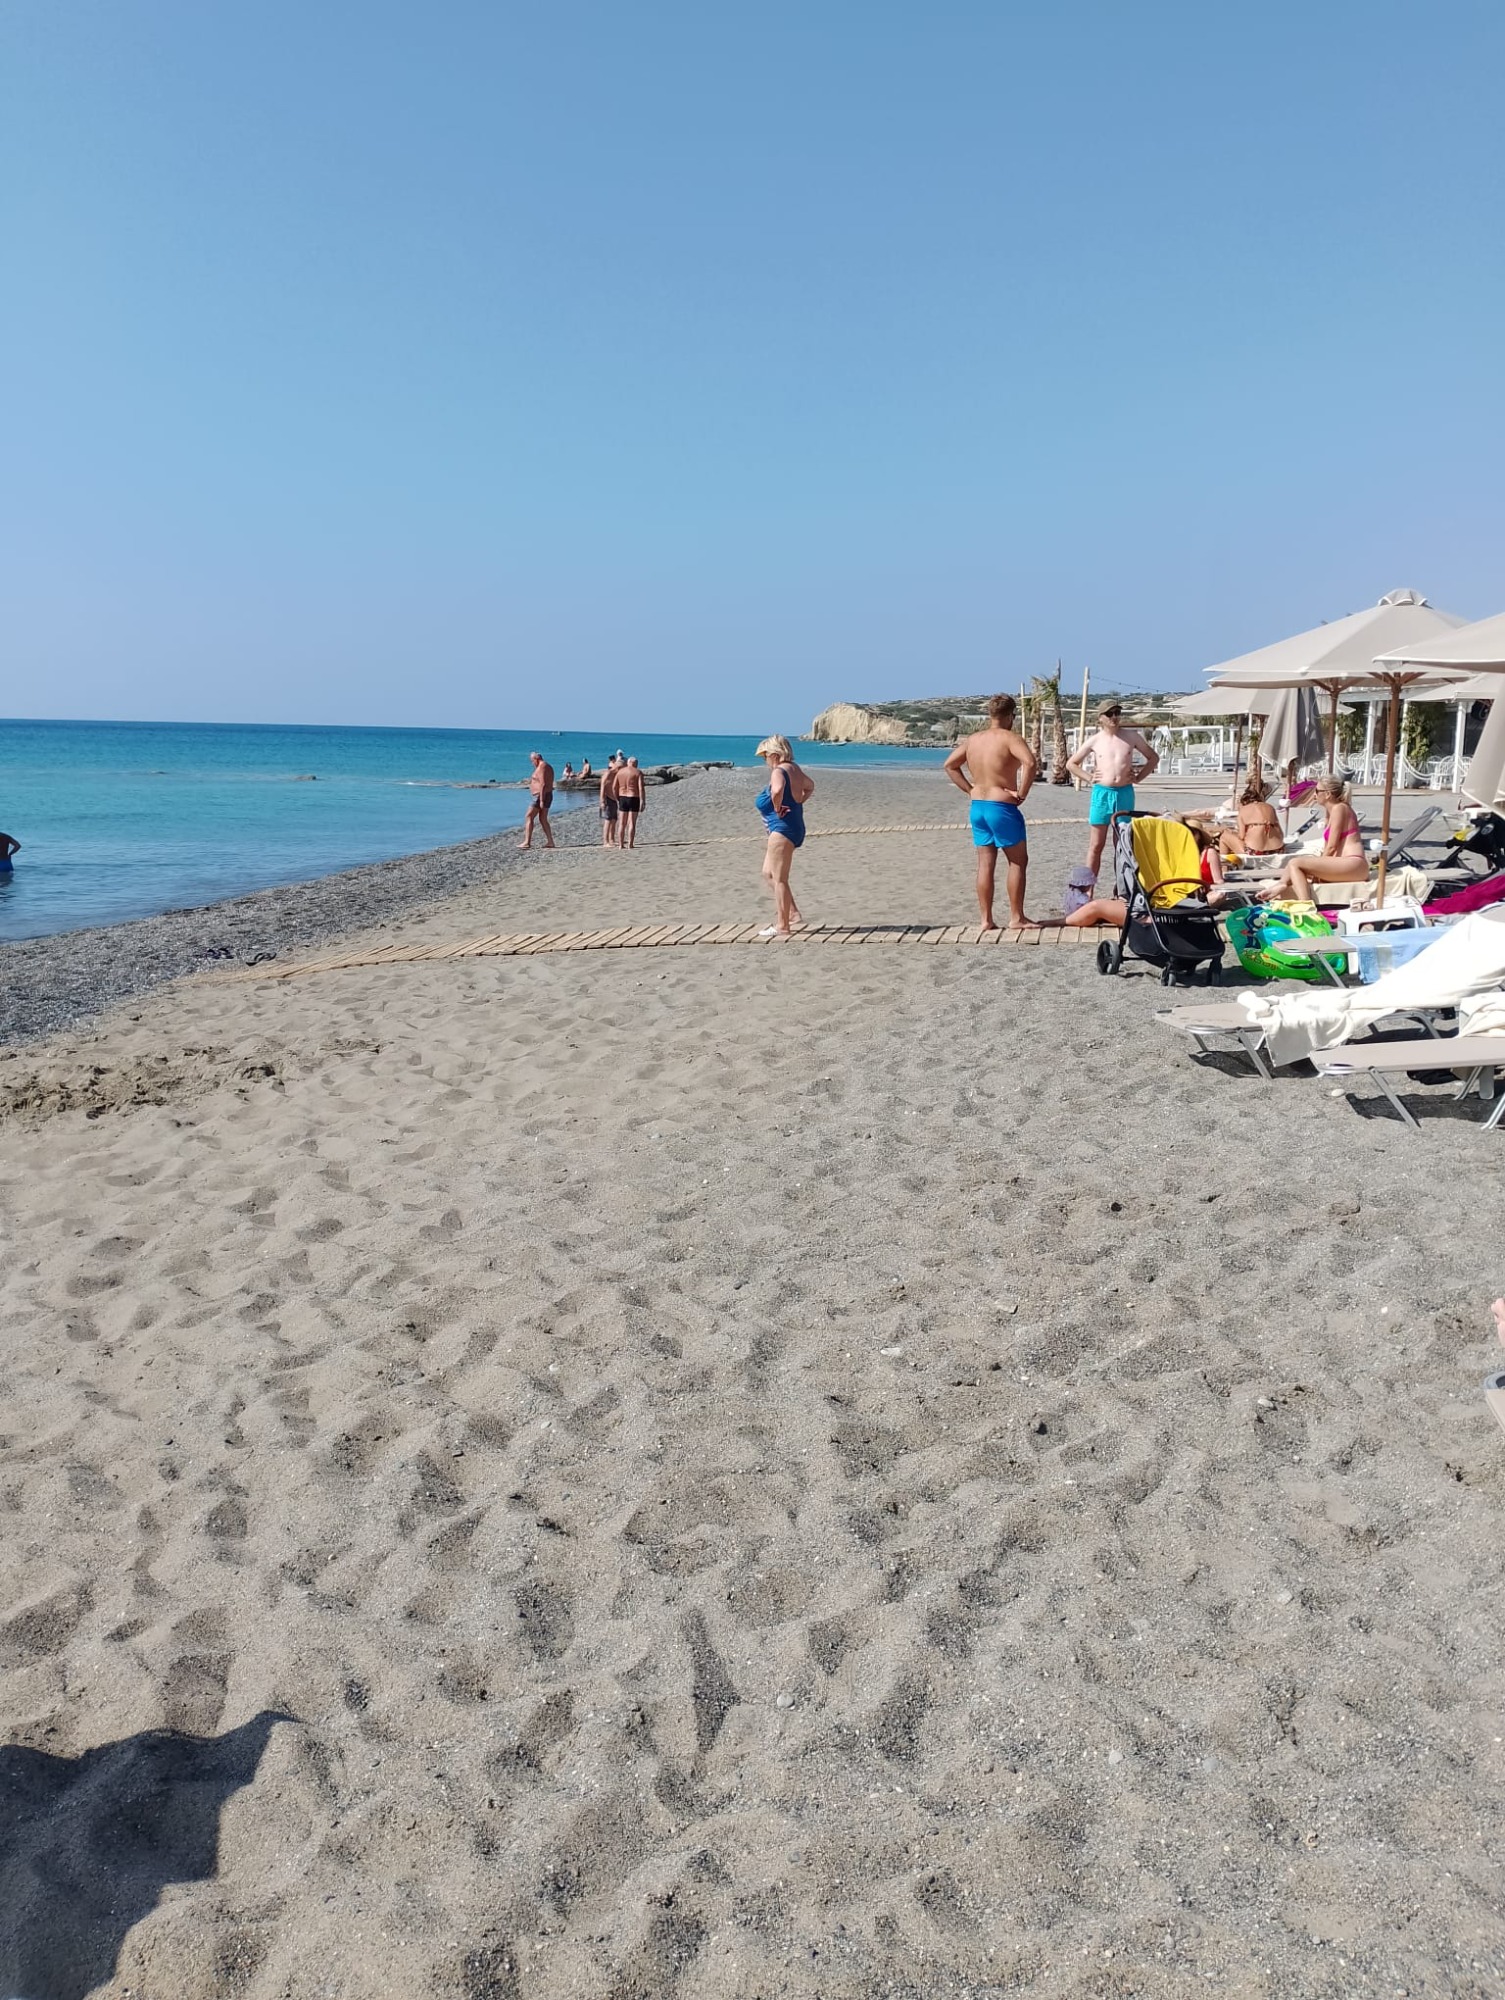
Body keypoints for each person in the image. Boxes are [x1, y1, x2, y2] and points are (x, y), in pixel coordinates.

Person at [943, 694, 1037, 930]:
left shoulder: (973, 740)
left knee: (985, 863)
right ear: (1011, 716)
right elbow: (1030, 763)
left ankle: (986, 919)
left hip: (978, 807)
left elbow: (950, 765)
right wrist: (1022, 794)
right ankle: (1016, 917)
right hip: (1001, 806)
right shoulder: (1010, 738)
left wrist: (970, 789)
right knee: (1017, 862)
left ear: (990, 714)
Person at [1066, 703, 1159, 882]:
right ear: (1100, 718)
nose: (1114, 717)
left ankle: (1122, 887)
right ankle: (1088, 888)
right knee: (1096, 845)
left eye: (1117, 713)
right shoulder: (1095, 740)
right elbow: (1071, 764)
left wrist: (1139, 777)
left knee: (1122, 844)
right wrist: (1089, 777)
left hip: (1124, 793)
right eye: (1109, 714)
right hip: (1102, 794)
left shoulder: (1131, 737)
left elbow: (1153, 757)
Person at [1259, 774, 1367, 902]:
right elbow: (1328, 847)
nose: (1314, 794)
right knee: (1297, 865)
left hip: (1353, 864)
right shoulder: (1331, 811)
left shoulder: (1340, 808)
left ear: (1327, 794)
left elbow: (1332, 847)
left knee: (1295, 863)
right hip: (1345, 864)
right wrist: (1318, 869)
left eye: (1317, 790)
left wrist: (1319, 868)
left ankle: (1305, 903)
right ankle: (1281, 884)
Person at [754, 735, 814, 936]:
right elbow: (810, 786)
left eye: (765, 756)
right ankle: (793, 913)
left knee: (780, 879)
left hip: (782, 830)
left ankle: (782, 926)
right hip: (792, 827)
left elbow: (778, 789)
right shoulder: (794, 769)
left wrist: (777, 806)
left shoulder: (779, 771)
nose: (765, 760)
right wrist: (798, 803)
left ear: (774, 754)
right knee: (768, 874)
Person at [519, 751, 555, 850]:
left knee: (529, 816)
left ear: (537, 759)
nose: (532, 763)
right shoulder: (545, 766)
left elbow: (543, 784)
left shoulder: (542, 766)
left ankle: (527, 842)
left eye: (532, 761)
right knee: (543, 819)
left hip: (540, 796)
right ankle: (550, 841)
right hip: (545, 795)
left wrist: (542, 800)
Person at [616, 756, 646, 848]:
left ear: (628, 762)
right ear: (635, 763)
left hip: (622, 797)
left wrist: (617, 797)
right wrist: (642, 801)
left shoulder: (620, 772)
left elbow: (614, 787)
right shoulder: (638, 772)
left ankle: (621, 844)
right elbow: (641, 788)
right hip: (634, 797)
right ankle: (630, 844)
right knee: (632, 822)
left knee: (622, 823)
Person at [599, 755, 620, 848]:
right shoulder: (607, 774)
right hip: (607, 798)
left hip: (614, 799)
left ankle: (612, 839)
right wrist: (602, 801)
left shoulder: (616, 774)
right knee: (608, 820)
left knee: (614, 819)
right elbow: (602, 788)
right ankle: (605, 841)